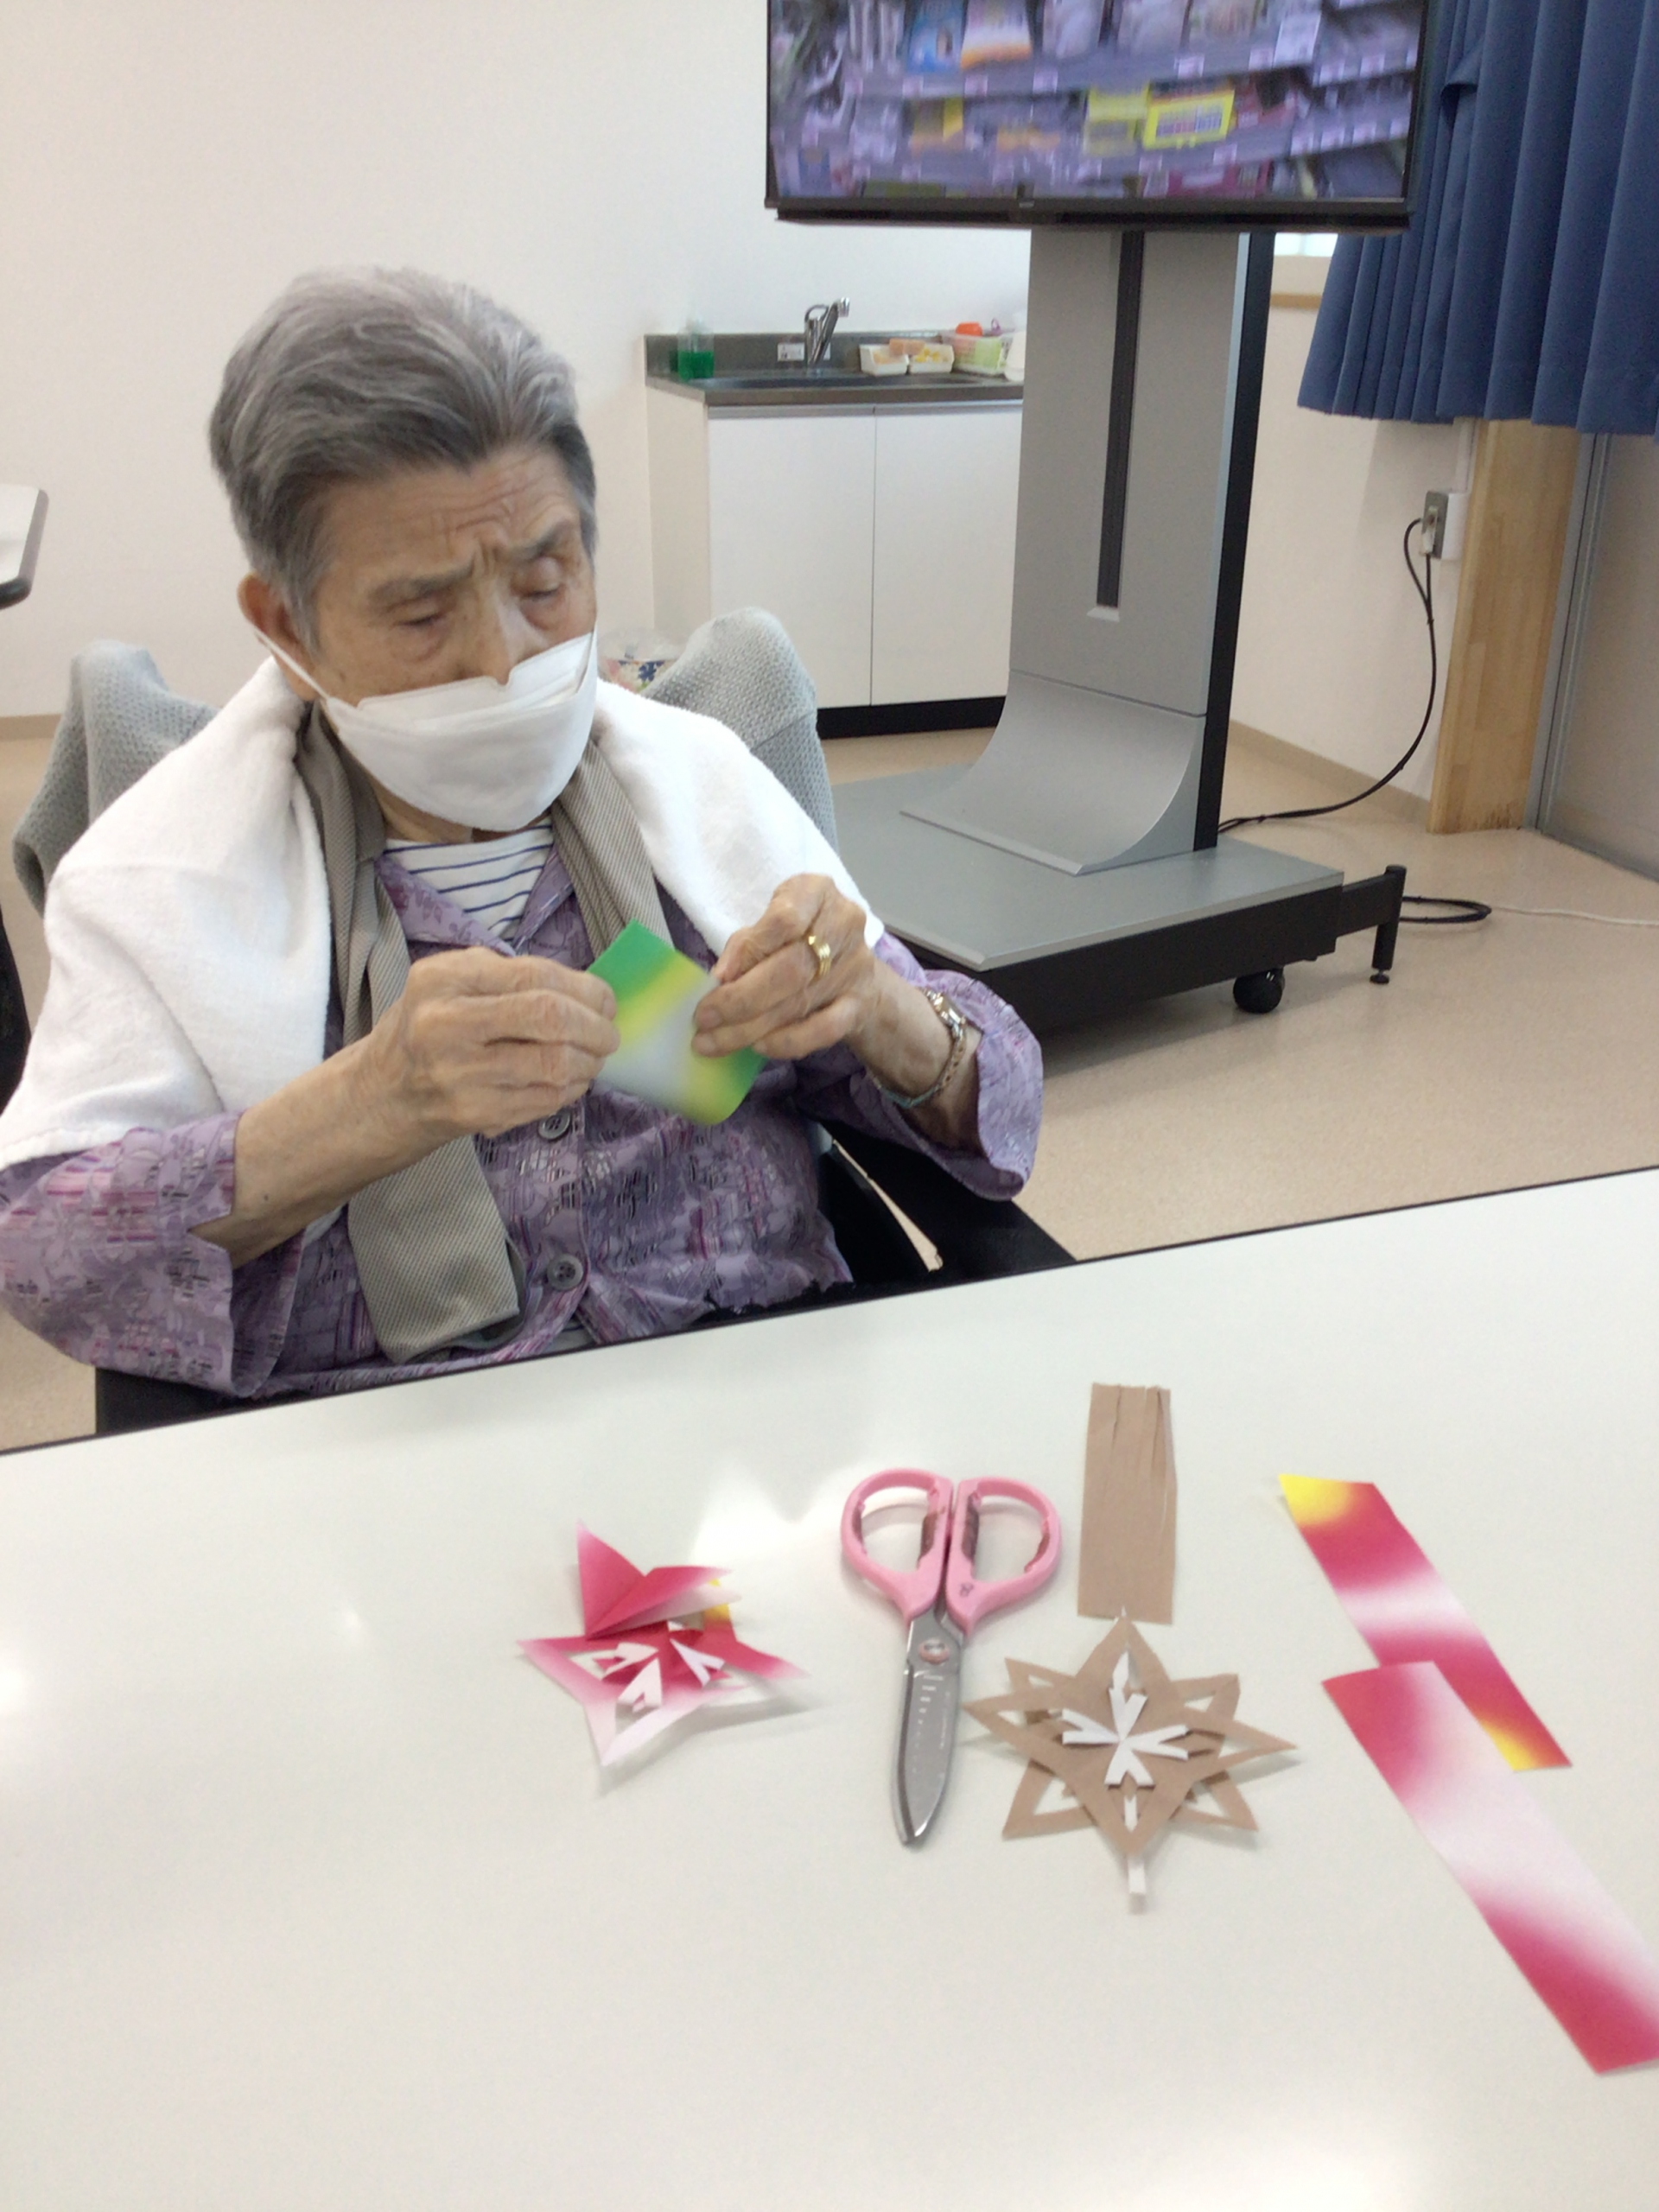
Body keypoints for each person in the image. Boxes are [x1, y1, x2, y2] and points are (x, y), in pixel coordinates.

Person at [0, 269, 1041, 1401]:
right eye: (422, 613)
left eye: (545, 583)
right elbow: (45, 1256)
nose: (503, 660)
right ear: (286, 625)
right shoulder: (168, 882)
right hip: (394, 1451)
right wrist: (368, 1105)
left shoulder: (700, 797)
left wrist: (880, 1009)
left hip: (757, 1400)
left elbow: (1003, 1104)